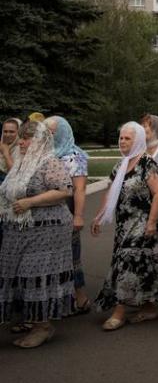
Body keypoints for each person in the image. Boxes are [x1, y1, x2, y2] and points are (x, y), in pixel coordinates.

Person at [92, 122, 158, 330]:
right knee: (144, 263)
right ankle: (148, 308)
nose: (122, 141)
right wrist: (99, 216)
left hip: (143, 222)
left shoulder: (147, 163)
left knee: (127, 262)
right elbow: (110, 193)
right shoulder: (120, 165)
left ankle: (119, 311)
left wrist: (151, 222)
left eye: (127, 138)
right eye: (121, 138)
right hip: (124, 224)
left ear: (138, 140)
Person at [0, 120, 74, 348]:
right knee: (20, 275)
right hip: (19, 229)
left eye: (27, 138)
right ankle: (32, 323)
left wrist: (31, 202)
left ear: (40, 140)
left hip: (47, 230)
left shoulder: (49, 162)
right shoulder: (22, 163)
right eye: (21, 138)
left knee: (36, 274)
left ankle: (43, 327)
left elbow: (64, 190)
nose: (21, 142)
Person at [45, 116, 92, 314]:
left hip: (66, 212)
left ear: (63, 132)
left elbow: (79, 190)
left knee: (72, 256)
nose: (49, 136)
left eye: (52, 132)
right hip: (45, 214)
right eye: (47, 132)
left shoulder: (75, 156)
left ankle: (80, 298)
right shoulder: (44, 153)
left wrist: (79, 216)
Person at [0, 117, 21, 182]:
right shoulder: (2, 144)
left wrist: (6, 153)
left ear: (19, 132)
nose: (8, 135)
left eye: (12, 132)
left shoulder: (21, 148)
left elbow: (14, 174)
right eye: (5, 131)